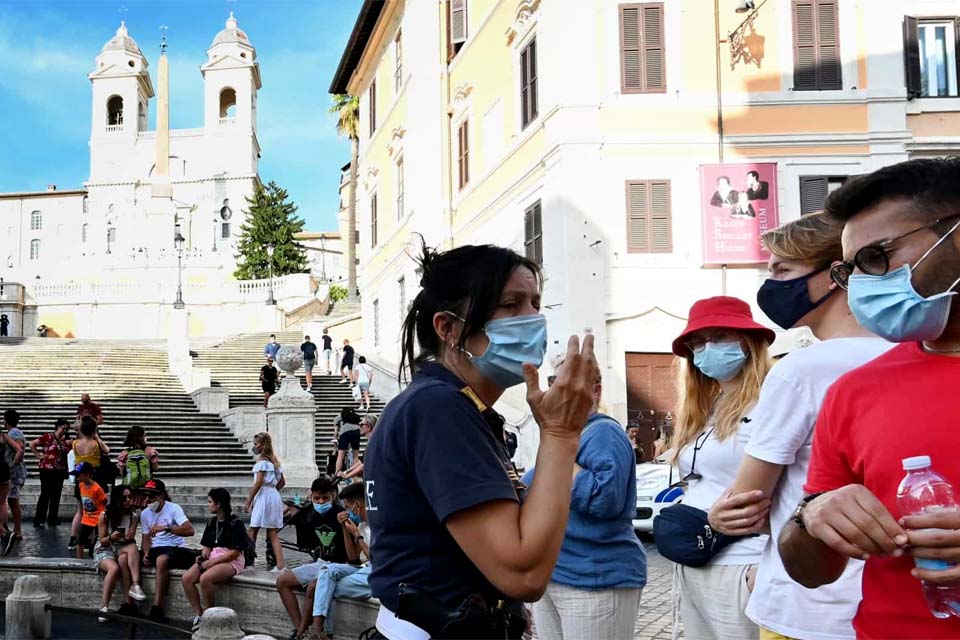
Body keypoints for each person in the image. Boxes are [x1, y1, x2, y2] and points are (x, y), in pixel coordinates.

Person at [364, 243, 598, 639]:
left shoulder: (451, 407)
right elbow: (523, 573)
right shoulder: (439, 409)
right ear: (448, 329)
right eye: (510, 304)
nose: (532, 317)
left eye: (535, 302)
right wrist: (561, 434)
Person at [778, 158, 960, 639]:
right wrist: (811, 517)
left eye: (877, 257)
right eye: (851, 270)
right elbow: (812, 570)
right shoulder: (854, 391)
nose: (863, 284)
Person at [707, 213, 892, 640]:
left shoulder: (801, 371)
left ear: (833, 276)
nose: (771, 284)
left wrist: (719, 516)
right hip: (882, 600)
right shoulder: (908, 354)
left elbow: (746, 503)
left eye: (782, 269)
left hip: (804, 605)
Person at [664, 296, 774, 640]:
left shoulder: (772, 399)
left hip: (745, 562)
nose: (707, 348)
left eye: (720, 337)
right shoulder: (704, 409)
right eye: (698, 342)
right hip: (696, 561)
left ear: (749, 342)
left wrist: (768, 569)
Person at [523, 370, 646, 639]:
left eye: (570, 381)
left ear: (596, 391)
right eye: (554, 382)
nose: (559, 389)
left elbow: (605, 500)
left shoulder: (603, 432)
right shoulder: (563, 436)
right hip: (556, 575)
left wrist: (559, 454)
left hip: (596, 577)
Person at [276, 476, 353, 636]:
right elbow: (306, 543)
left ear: (333, 496)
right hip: (321, 562)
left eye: (325, 498)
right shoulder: (310, 514)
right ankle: (300, 628)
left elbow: (353, 556)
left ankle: (302, 631)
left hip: (341, 565)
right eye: (316, 498)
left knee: (313, 586)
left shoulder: (342, 515)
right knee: (282, 581)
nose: (320, 502)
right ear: (311, 496)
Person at [300, 481, 373, 640]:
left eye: (347, 507)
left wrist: (357, 536)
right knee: (327, 574)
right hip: (363, 569)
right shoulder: (359, 525)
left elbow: (376, 560)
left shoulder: (376, 525)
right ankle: (322, 631)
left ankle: (321, 632)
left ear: (357, 505)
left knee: (325, 586)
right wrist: (345, 530)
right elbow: (353, 558)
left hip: (378, 572)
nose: (346, 511)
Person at [182, 488, 249, 632]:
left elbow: (234, 553)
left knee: (205, 578)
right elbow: (206, 547)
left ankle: (210, 616)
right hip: (213, 557)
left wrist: (212, 563)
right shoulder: (212, 522)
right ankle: (199, 614)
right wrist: (202, 557)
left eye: (210, 502)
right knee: (187, 578)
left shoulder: (236, 523)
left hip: (231, 560)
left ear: (219, 504)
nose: (208, 505)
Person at [140, 478, 196, 623]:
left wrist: (167, 528)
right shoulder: (145, 514)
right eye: (146, 496)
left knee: (162, 559)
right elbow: (145, 538)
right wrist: (146, 552)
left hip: (173, 548)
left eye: (151, 496)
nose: (148, 499)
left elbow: (190, 530)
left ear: (160, 496)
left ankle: (157, 605)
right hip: (156, 548)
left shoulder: (173, 508)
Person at [95, 485, 147, 622]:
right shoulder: (105, 516)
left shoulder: (134, 515)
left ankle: (135, 587)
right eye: (125, 498)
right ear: (117, 499)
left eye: (130, 497)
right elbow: (103, 541)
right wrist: (112, 537)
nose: (128, 500)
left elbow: (131, 538)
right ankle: (104, 607)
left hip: (122, 546)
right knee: (114, 568)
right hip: (105, 548)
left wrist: (129, 535)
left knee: (126, 555)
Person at [245, 432, 285, 572]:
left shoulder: (262, 461)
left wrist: (249, 500)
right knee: (272, 532)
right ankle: (281, 565)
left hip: (264, 495)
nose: (254, 446)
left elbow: (258, 482)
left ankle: (248, 561)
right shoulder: (274, 461)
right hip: (273, 495)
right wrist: (273, 491)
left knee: (253, 530)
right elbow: (282, 482)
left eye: (256, 444)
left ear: (263, 445)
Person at [69, 416, 110, 551]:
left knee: (81, 510)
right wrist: (97, 437)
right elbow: (107, 451)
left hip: (80, 477)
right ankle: (93, 540)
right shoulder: (95, 443)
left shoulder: (75, 443)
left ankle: (74, 538)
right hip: (95, 477)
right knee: (98, 510)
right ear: (94, 429)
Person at [31, 418, 72, 527]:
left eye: (67, 429)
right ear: (58, 426)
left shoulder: (66, 441)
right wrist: (38, 455)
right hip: (47, 469)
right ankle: (39, 518)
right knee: (45, 493)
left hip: (59, 470)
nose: (65, 431)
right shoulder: (47, 437)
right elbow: (32, 444)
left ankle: (52, 518)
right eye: (63, 428)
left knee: (56, 495)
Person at [117, 426, 159, 508]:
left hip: (131, 488)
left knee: (132, 510)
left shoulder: (125, 454)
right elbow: (155, 468)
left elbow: (121, 472)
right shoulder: (150, 451)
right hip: (146, 487)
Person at [73, 462, 107, 560]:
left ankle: (96, 557)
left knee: (97, 540)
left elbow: (104, 501)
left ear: (87, 475)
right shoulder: (81, 485)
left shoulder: (97, 489)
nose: (76, 477)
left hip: (97, 519)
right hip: (86, 518)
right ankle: (79, 561)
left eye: (78, 475)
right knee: (80, 540)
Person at [3, 409, 26, 550]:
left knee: (13, 501)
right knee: (11, 501)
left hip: (14, 473)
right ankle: (14, 530)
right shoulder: (15, 432)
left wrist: (12, 465)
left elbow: (20, 449)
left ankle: (17, 531)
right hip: (14, 472)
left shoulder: (13, 433)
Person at [338, 414, 378, 482]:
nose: (359, 427)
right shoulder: (372, 442)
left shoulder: (374, 443)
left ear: (369, 427)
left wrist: (347, 476)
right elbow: (361, 461)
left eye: (361, 424)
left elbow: (364, 465)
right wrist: (347, 471)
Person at [334, 408, 362, 477]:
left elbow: (335, 432)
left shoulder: (338, 418)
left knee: (340, 456)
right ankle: (355, 475)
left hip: (344, 433)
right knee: (355, 456)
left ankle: (337, 473)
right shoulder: (354, 417)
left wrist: (334, 448)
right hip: (356, 432)